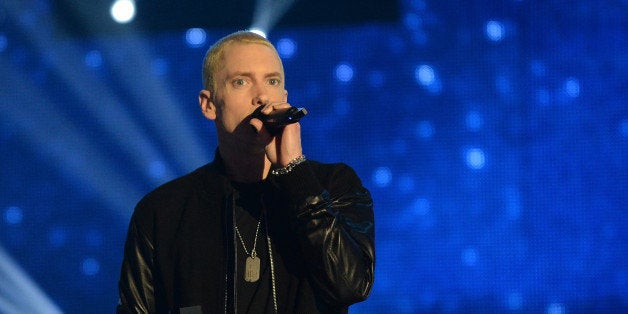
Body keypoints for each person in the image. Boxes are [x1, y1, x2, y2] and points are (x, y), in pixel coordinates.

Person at [116, 30, 375, 314]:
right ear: (209, 104)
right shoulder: (163, 211)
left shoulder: (334, 186)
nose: (262, 96)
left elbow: (351, 286)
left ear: (284, 97)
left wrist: (295, 174)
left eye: (272, 81)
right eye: (241, 81)